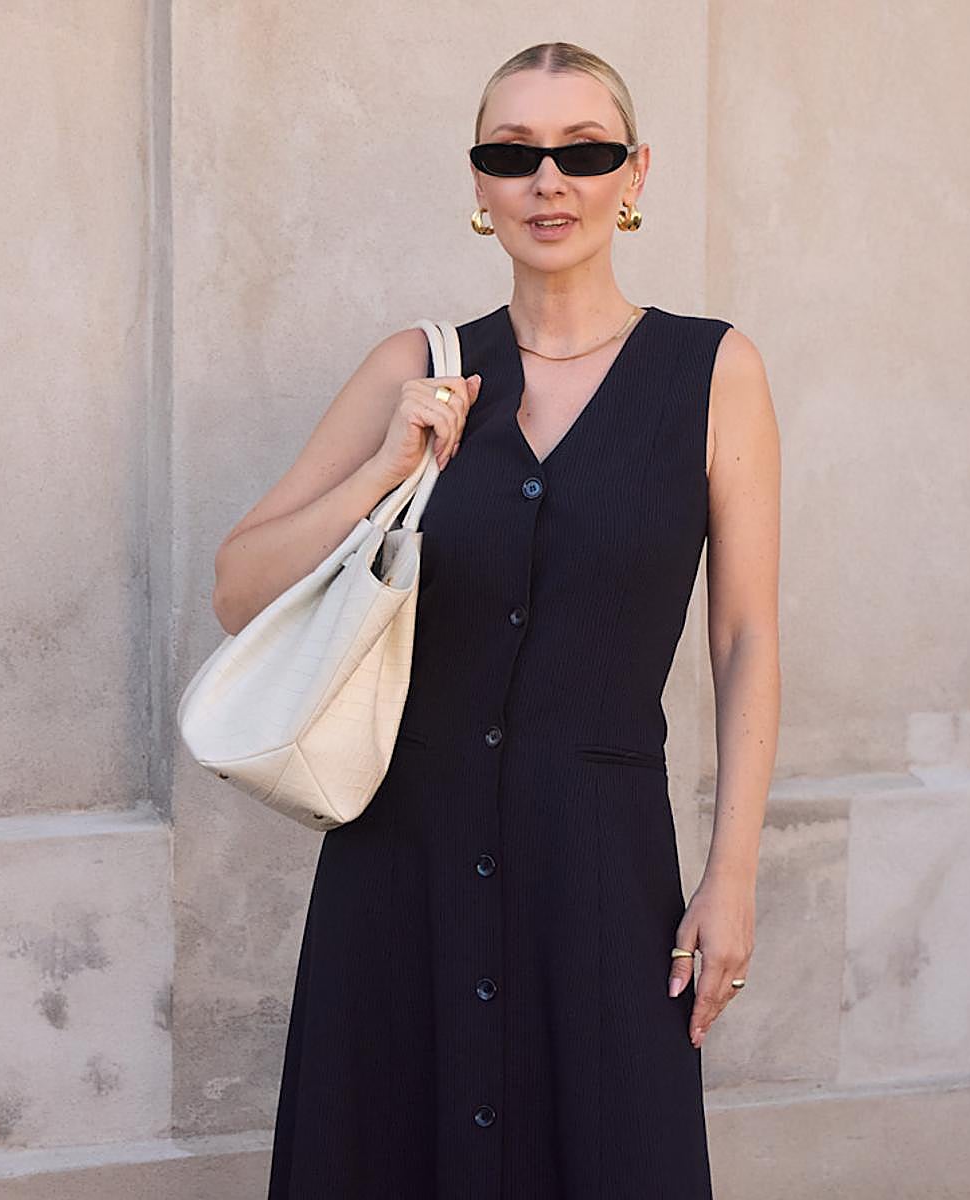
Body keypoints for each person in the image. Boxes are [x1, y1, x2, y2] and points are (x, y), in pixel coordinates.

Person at [212, 39, 780, 1200]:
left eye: (584, 151)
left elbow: (746, 638)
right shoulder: (415, 368)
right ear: (479, 185)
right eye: (512, 153)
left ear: (635, 174)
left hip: (603, 871)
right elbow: (237, 587)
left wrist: (732, 874)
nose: (548, 180)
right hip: (400, 867)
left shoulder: (713, 372)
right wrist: (384, 465)